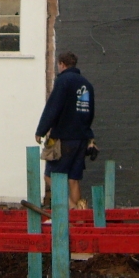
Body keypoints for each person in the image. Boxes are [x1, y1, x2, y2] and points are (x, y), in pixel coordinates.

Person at [35, 51, 97, 208]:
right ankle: (80, 217)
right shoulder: (86, 85)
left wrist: (41, 130)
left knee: (50, 176)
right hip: (81, 139)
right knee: (73, 179)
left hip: (63, 138)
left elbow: (53, 107)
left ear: (62, 64)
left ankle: (72, 210)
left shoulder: (63, 81)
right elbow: (90, 113)